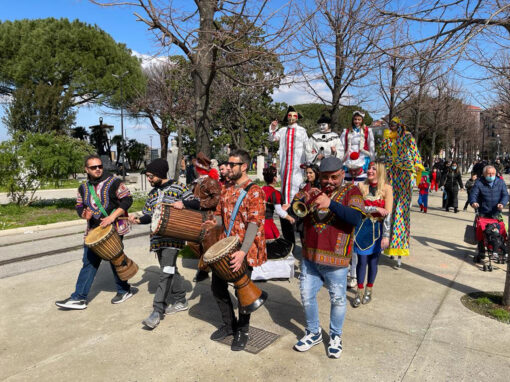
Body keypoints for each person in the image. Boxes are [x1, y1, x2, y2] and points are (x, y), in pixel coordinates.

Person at [292, 156, 365, 359]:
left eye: (334, 177)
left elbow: (356, 218)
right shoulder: (311, 189)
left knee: (338, 299)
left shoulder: (352, 191)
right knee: (307, 296)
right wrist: (305, 199)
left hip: (337, 260)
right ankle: (314, 332)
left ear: (342, 174)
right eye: (325, 178)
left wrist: (330, 203)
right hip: (310, 256)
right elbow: (294, 210)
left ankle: (335, 336)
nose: (329, 182)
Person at [203, 149, 266, 351]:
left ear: (244, 166)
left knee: (243, 292)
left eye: (232, 165)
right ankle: (229, 325)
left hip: (244, 250)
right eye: (228, 164)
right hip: (225, 247)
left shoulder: (255, 191)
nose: (228, 168)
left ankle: (243, 330)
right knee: (217, 287)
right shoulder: (227, 188)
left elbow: (254, 224)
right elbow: (221, 216)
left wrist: (242, 252)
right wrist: (213, 224)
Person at [55, 155, 134, 310]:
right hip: (94, 230)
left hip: (114, 228)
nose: (98, 169)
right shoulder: (83, 188)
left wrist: (111, 217)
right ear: (86, 169)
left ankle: (123, 290)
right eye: (93, 167)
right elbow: (79, 205)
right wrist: (84, 214)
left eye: (100, 166)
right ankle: (79, 298)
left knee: (114, 258)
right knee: (89, 261)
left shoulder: (114, 182)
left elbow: (127, 200)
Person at [129, 158, 199, 329]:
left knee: (165, 272)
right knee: (170, 269)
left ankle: (157, 310)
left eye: (151, 176)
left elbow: (197, 203)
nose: (149, 179)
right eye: (147, 176)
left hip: (173, 239)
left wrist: (183, 203)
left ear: (160, 174)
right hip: (157, 240)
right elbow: (148, 215)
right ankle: (181, 300)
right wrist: (139, 220)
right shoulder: (152, 194)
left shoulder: (179, 188)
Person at [380, 117, 424, 267]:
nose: (391, 127)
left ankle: (400, 246)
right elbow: (384, 151)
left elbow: (414, 151)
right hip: (391, 173)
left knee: (401, 210)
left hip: (404, 173)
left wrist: (417, 167)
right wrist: (386, 138)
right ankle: (388, 244)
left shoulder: (407, 136)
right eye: (390, 124)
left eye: (394, 124)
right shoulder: (388, 137)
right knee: (389, 208)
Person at [353, 162, 392, 307]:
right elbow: (357, 207)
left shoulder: (387, 189)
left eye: (373, 169)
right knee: (361, 261)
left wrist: (386, 236)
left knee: (373, 262)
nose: (370, 171)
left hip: (378, 231)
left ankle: (369, 290)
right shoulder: (361, 186)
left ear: (380, 171)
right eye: (369, 168)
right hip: (362, 229)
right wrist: (374, 207)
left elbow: (388, 214)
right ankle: (359, 291)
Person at [268, 106, 309, 244]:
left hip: (298, 166)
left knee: (297, 185)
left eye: (294, 116)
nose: (291, 118)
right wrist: (273, 128)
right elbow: (272, 138)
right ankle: (286, 205)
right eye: (289, 115)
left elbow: (307, 147)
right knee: (285, 184)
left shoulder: (302, 131)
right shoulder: (283, 130)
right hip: (286, 166)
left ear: (297, 118)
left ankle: (292, 206)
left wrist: (309, 161)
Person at [188, 152, 222, 283]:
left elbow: (217, 198)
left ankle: (207, 270)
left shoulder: (210, 182)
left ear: (199, 169)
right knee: (193, 242)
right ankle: (205, 266)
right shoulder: (198, 182)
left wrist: (201, 204)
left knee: (208, 245)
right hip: (198, 216)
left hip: (208, 217)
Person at [469, 165, 509, 259]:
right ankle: (481, 251)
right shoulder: (479, 182)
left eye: (493, 174)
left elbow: (505, 195)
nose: (491, 175)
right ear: (484, 174)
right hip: (482, 211)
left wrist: (502, 203)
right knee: (481, 232)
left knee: (497, 231)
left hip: (496, 212)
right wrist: (473, 202)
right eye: (489, 174)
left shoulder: (500, 182)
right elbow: (473, 195)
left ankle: (498, 249)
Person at [262, 166, 295, 239]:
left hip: (259, 223)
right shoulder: (275, 193)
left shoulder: (261, 189)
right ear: (274, 178)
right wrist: (290, 218)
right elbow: (279, 211)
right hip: (268, 224)